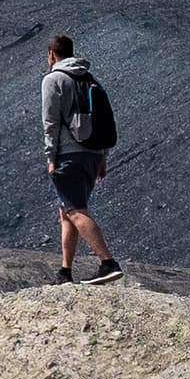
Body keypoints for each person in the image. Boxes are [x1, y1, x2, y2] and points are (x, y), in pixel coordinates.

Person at [40, 34, 125, 285]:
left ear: (52, 55)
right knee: (66, 211)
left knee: (75, 211)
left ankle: (108, 263)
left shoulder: (53, 79)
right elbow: (103, 121)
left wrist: (50, 157)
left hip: (68, 155)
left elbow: (50, 123)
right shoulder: (90, 79)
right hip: (92, 153)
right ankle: (65, 272)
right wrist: (102, 157)